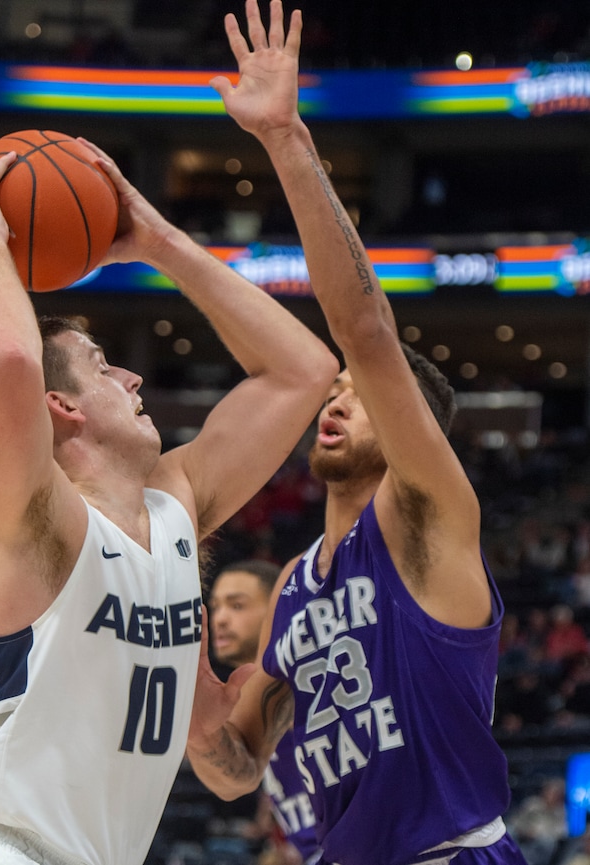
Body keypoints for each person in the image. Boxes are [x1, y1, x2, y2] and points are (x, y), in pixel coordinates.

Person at [0, 136, 337, 865]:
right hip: (1, 849)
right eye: (105, 368)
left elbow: (304, 371)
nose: (135, 380)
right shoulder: (36, 513)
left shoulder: (175, 502)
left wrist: (157, 238)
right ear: (61, 406)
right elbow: (12, 363)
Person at [186, 2, 529, 864]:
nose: (336, 401)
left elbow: (367, 330)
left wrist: (286, 140)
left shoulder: (426, 509)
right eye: (331, 392)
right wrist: (182, 662)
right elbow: (234, 767)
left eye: (359, 396)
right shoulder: (299, 579)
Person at [209, 560, 320, 865]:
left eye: (237, 605)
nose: (219, 618)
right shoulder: (244, 707)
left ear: (277, 608)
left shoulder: (310, 685)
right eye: (215, 606)